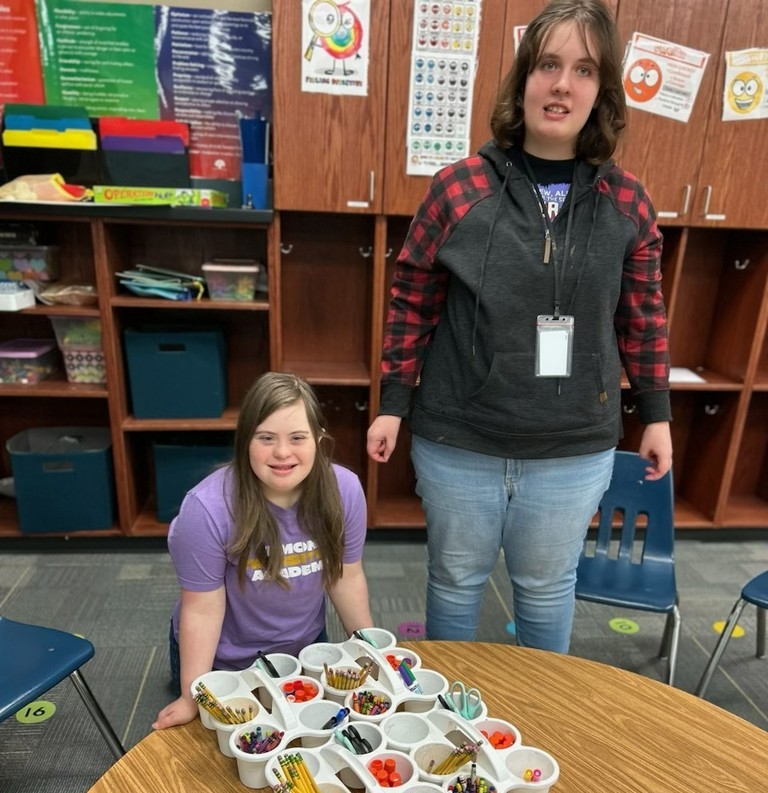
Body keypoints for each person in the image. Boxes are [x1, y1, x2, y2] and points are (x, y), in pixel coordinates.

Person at [366, 0, 672, 653]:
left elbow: (643, 316)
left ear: (602, 91)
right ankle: (447, 727)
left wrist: (658, 414)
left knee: (545, 587)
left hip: (571, 450)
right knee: (453, 581)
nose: (562, 84)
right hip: (459, 441)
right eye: (548, 64)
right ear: (524, 79)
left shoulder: (628, 204)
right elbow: (410, 300)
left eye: (584, 70)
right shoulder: (458, 187)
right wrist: (393, 403)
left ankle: (539, 733)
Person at [154, 372, 373, 729]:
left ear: (318, 439)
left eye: (297, 438)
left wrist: (369, 651)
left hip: (304, 648)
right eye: (266, 438)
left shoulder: (344, 490)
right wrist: (192, 695)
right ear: (245, 442)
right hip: (227, 659)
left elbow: (346, 576)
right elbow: (202, 610)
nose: (282, 452)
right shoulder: (206, 508)